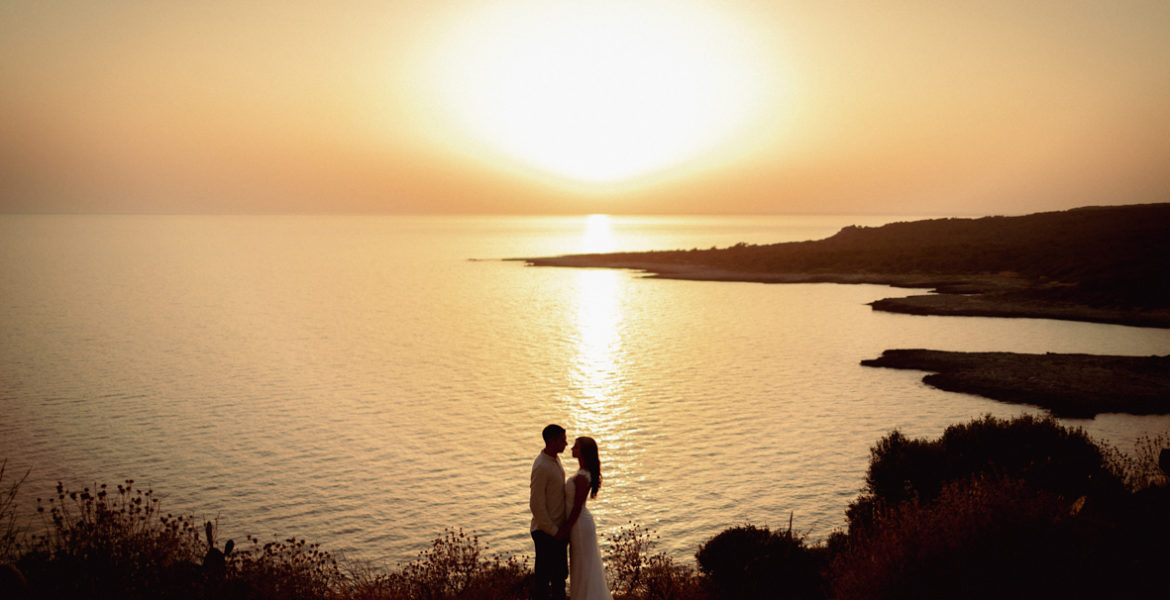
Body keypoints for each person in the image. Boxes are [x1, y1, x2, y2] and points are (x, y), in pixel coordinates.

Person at [562, 436, 613, 600]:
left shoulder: (583, 477)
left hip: (579, 524)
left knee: (584, 565)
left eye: (575, 447)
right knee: (580, 564)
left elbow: (577, 507)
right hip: (579, 523)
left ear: (582, 452)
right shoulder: (582, 473)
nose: (571, 448)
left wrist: (565, 529)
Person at [531, 424, 568, 600]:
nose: (566, 444)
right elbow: (536, 505)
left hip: (557, 532)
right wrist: (554, 531)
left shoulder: (555, 460)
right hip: (546, 533)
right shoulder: (541, 466)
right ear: (552, 441)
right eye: (562, 440)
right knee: (544, 581)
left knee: (559, 578)